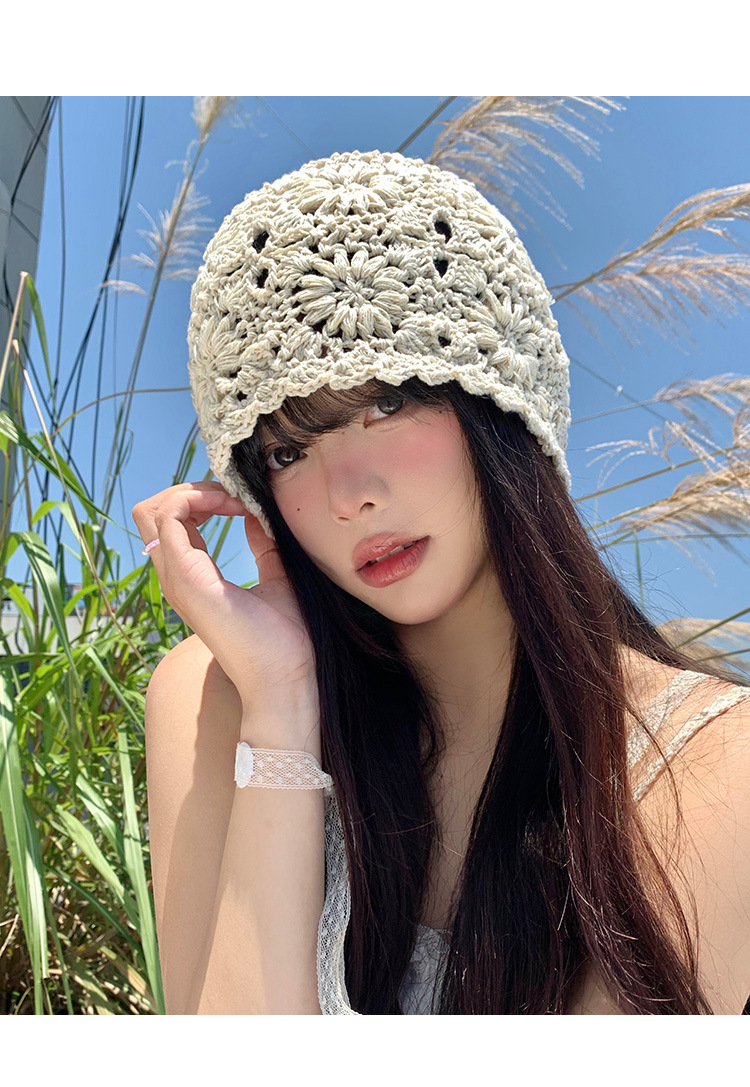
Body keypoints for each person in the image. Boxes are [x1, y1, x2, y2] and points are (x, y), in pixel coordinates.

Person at [133, 150, 750, 1016]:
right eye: (288, 449)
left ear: (504, 407)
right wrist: (281, 709)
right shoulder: (216, 697)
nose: (349, 495)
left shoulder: (710, 767)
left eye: (386, 403)